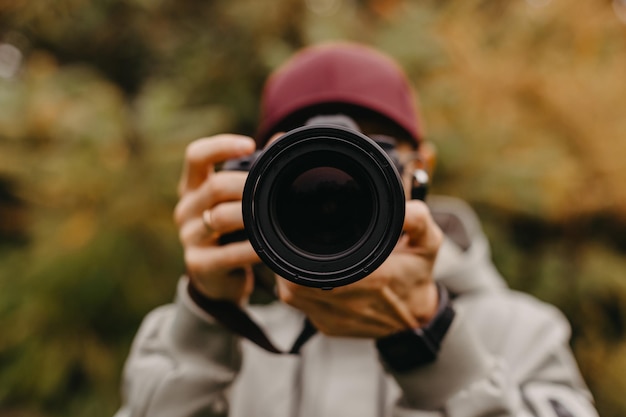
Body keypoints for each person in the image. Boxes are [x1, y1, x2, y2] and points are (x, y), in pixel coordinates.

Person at [114, 42, 599, 417]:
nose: (341, 186)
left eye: (377, 149)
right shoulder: (226, 333)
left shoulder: (520, 331)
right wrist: (207, 314)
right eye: (303, 154)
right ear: (253, 178)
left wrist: (430, 339)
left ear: (420, 165)